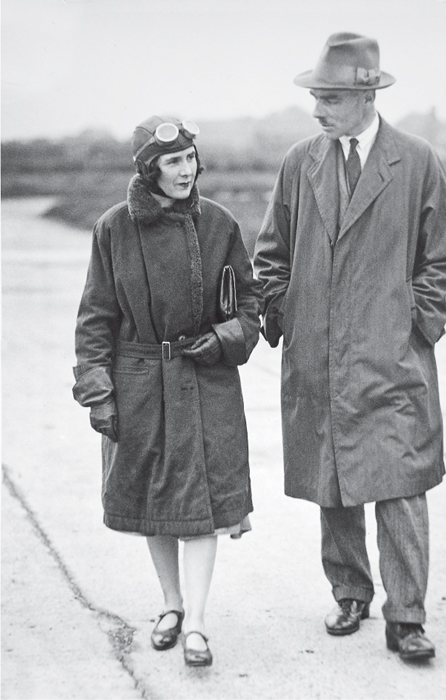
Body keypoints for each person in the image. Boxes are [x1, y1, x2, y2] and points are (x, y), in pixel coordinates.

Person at [254, 33, 446, 661]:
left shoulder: (416, 159)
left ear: (367, 96)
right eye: (316, 96)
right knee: (331, 478)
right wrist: (284, 310)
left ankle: (407, 617)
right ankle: (349, 593)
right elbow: (273, 252)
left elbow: (441, 258)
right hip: (317, 352)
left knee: (400, 481)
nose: (318, 108)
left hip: (390, 355)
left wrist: (411, 324)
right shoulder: (301, 161)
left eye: (331, 97)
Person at [72, 115, 262, 667]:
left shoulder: (220, 223)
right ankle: (172, 605)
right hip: (140, 385)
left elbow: (250, 308)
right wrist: (98, 390)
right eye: (172, 162)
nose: (185, 170)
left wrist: (225, 338)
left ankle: (197, 624)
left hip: (207, 383)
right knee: (158, 501)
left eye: (189, 159)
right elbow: (95, 318)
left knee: (203, 505)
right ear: (148, 169)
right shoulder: (113, 228)